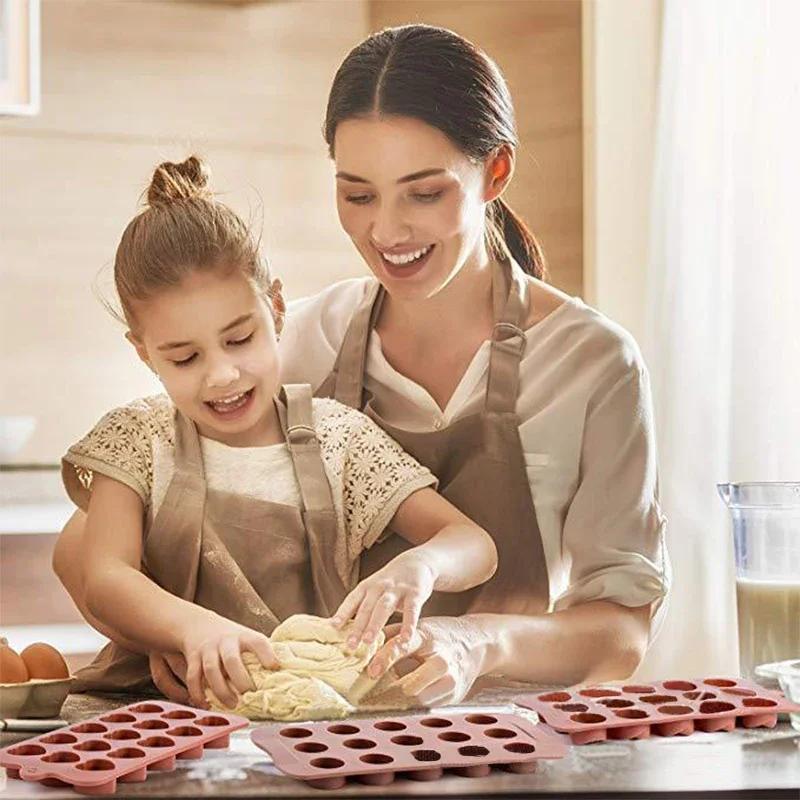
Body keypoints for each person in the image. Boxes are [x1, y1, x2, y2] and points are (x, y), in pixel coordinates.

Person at [55, 24, 670, 707]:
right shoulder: (302, 340)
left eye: (424, 193)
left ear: (494, 171)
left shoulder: (592, 364)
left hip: (501, 737)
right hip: (318, 744)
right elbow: (90, 551)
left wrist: (475, 644)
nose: (386, 231)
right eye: (357, 194)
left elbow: (620, 632)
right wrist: (168, 636)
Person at [56, 154, 498, 709]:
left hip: (310, 716)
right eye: (184, 357)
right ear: (144, 354)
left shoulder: (341, 439)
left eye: (240, 339)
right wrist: (188, 631)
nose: (221, 374)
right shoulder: (138, 439)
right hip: (156, 710)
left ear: (277, 307)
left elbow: (473, 543)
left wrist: (420, 565)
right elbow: (105, 576)